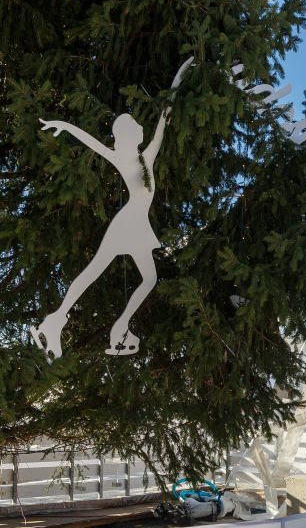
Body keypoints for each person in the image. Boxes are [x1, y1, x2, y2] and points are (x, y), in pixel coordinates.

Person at [33, 57, 194, 358]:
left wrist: (178, 80)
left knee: (148, 279)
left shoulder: (147, 156)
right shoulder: (123, 158)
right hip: (128, 222)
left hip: (137, 224)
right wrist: (63, 125)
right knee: (95, 270)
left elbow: (164, 119)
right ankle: (58, 321)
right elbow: (91, 142)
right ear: (128, 135)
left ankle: (116, 327)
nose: (141, 127)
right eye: (135, 125)